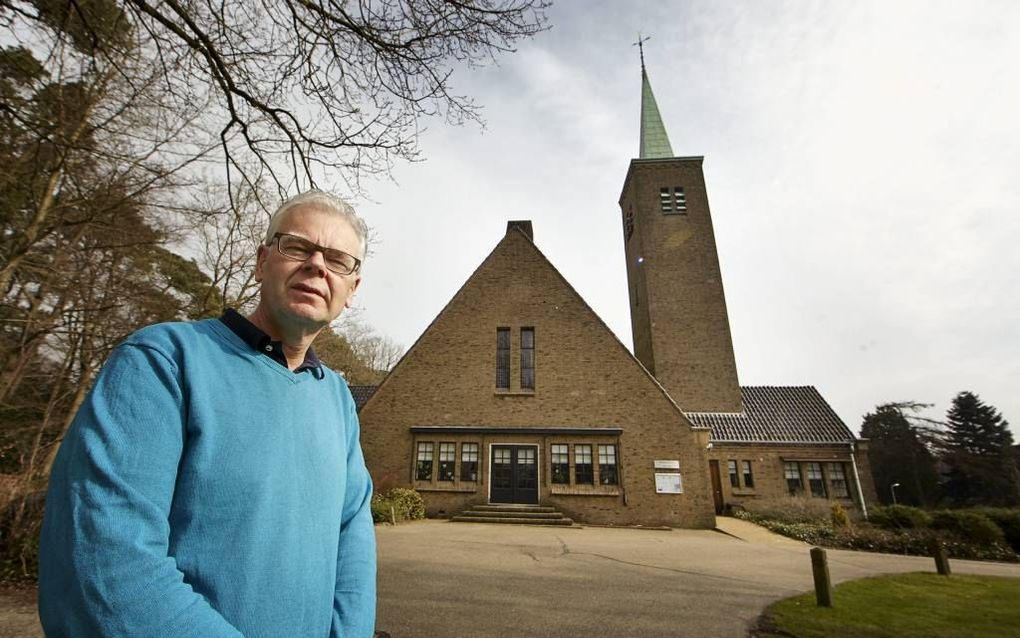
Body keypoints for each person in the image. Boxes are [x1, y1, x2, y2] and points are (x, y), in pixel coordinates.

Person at [38, 191, 377, 637]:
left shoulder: (336, 397)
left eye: (337, 260)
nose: (317, 265)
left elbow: (351, 535)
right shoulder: (162, 360)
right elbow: (107, 557)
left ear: (351, 289)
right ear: (261, 261)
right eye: (296, 247)